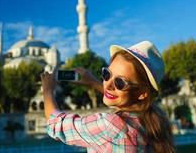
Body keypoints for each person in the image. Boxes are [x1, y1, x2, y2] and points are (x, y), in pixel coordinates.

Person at [40, 41, 175, 153]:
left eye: (120, 82)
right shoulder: (156, 118)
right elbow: (123, 97)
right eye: (107, 74)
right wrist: (93, 82)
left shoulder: (111, 124)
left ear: (141, 94)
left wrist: (47, 89)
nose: (108, 84)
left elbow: (56, 124)